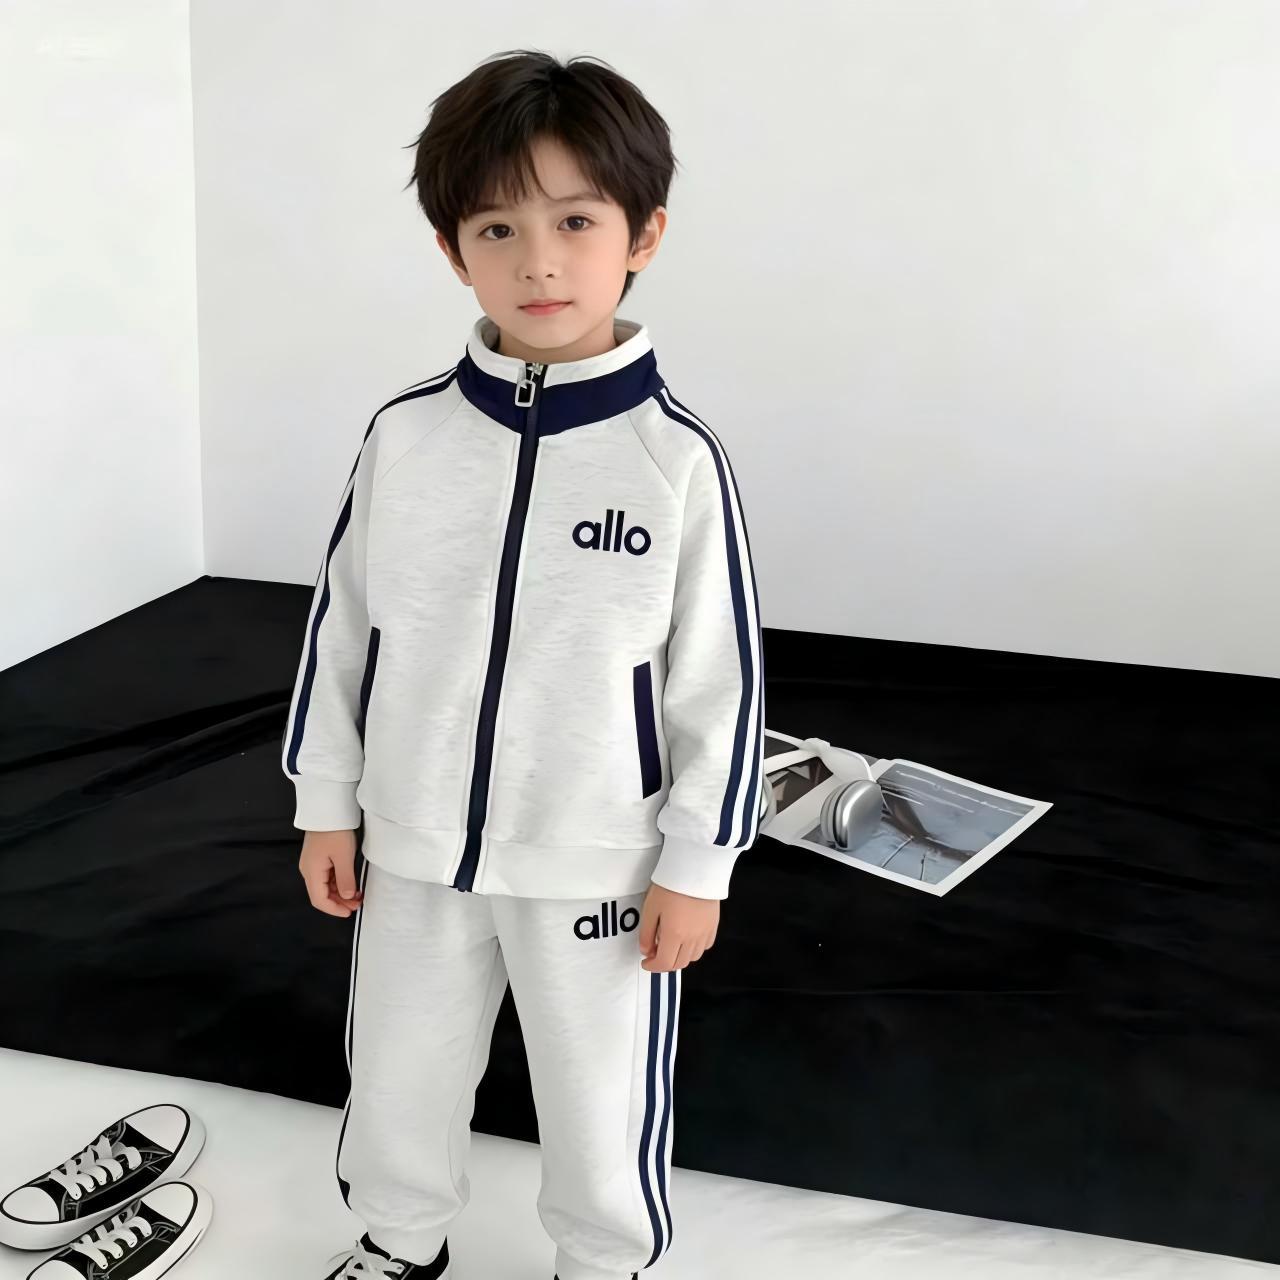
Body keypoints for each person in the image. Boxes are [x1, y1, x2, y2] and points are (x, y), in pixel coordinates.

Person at [281, 48, 765, 1280]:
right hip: (411, 844)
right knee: (397, 1064)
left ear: (642, 234)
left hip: (597, 853)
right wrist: (326, 800)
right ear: (454, 250)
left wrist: (698, 863)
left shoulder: (675, 460)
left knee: (599, 1089)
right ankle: (399, 1239)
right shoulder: (405, 437)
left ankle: (599, 1261)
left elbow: (718, 681)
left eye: (574, 221)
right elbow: (342, 631)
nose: (537, 262)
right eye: (497, 227)